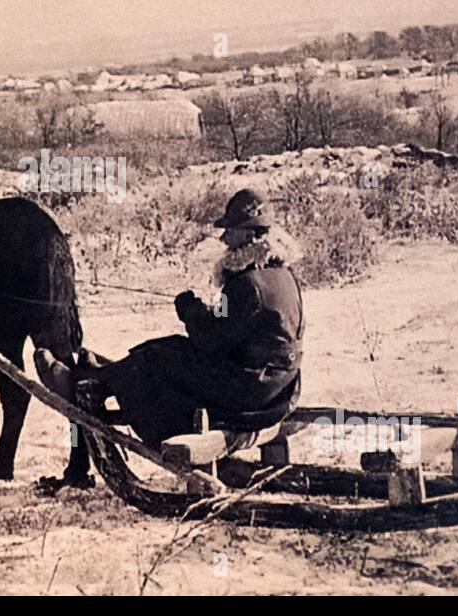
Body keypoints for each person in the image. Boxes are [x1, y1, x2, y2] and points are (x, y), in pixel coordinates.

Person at [36, 188, 304, 448]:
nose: (224, 239)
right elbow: (236, 328)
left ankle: (86, 384)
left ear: (248, 234)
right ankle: (101, 377)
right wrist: (204, 312)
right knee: (167, 349)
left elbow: (209, 342)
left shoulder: (247, 284)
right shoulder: (281, 275)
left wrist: (191, 311)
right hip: (277, 386)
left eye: (230, 230)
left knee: (157, 358)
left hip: (248, 391)